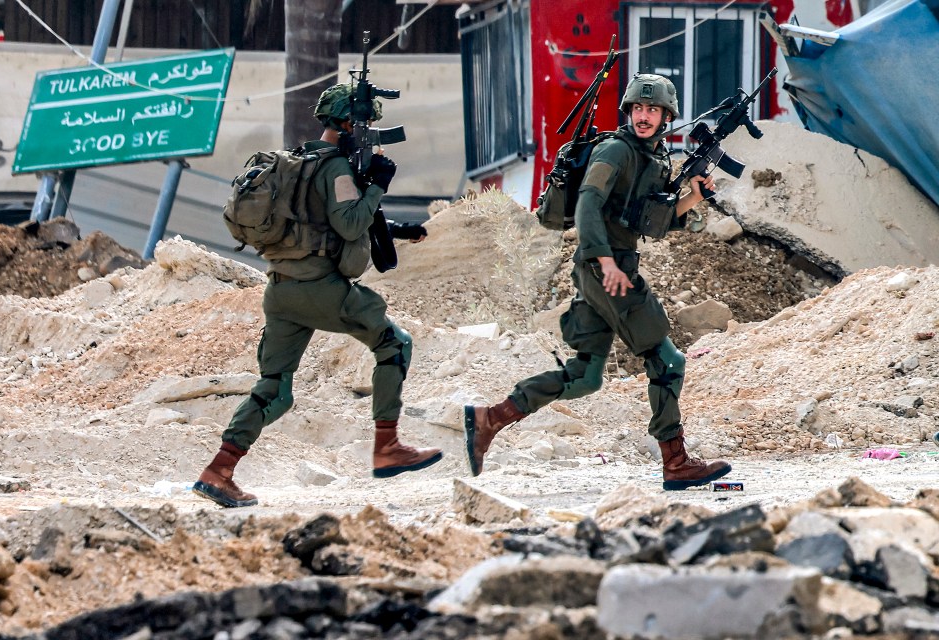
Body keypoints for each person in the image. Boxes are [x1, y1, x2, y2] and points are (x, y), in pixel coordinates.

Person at [464, 73, 732, 490]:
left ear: (666, 116)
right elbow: (589, 201)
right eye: (638, 109)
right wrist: (605, 260)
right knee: (667, 362)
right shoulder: (615, 150)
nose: (644, 117)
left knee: (585, 377)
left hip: (606, 267)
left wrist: (695, 195)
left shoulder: (655, 157)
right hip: (606, 269)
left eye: (653, 110)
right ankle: (675, 461)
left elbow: (655, 223)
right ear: (628, 112)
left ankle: (490, 418)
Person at [194, 83, 442, 508]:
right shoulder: (338, 169)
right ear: (348, 123)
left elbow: (318, 220)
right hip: (321, 289)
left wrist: (395, 229)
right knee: (394, 344)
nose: (370, 131)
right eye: (365, 124)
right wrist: (379, 184)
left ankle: (218, 472)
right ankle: (388, 446)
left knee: (274, 389)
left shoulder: (299, 163)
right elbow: (347, 224)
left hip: (281, 290)